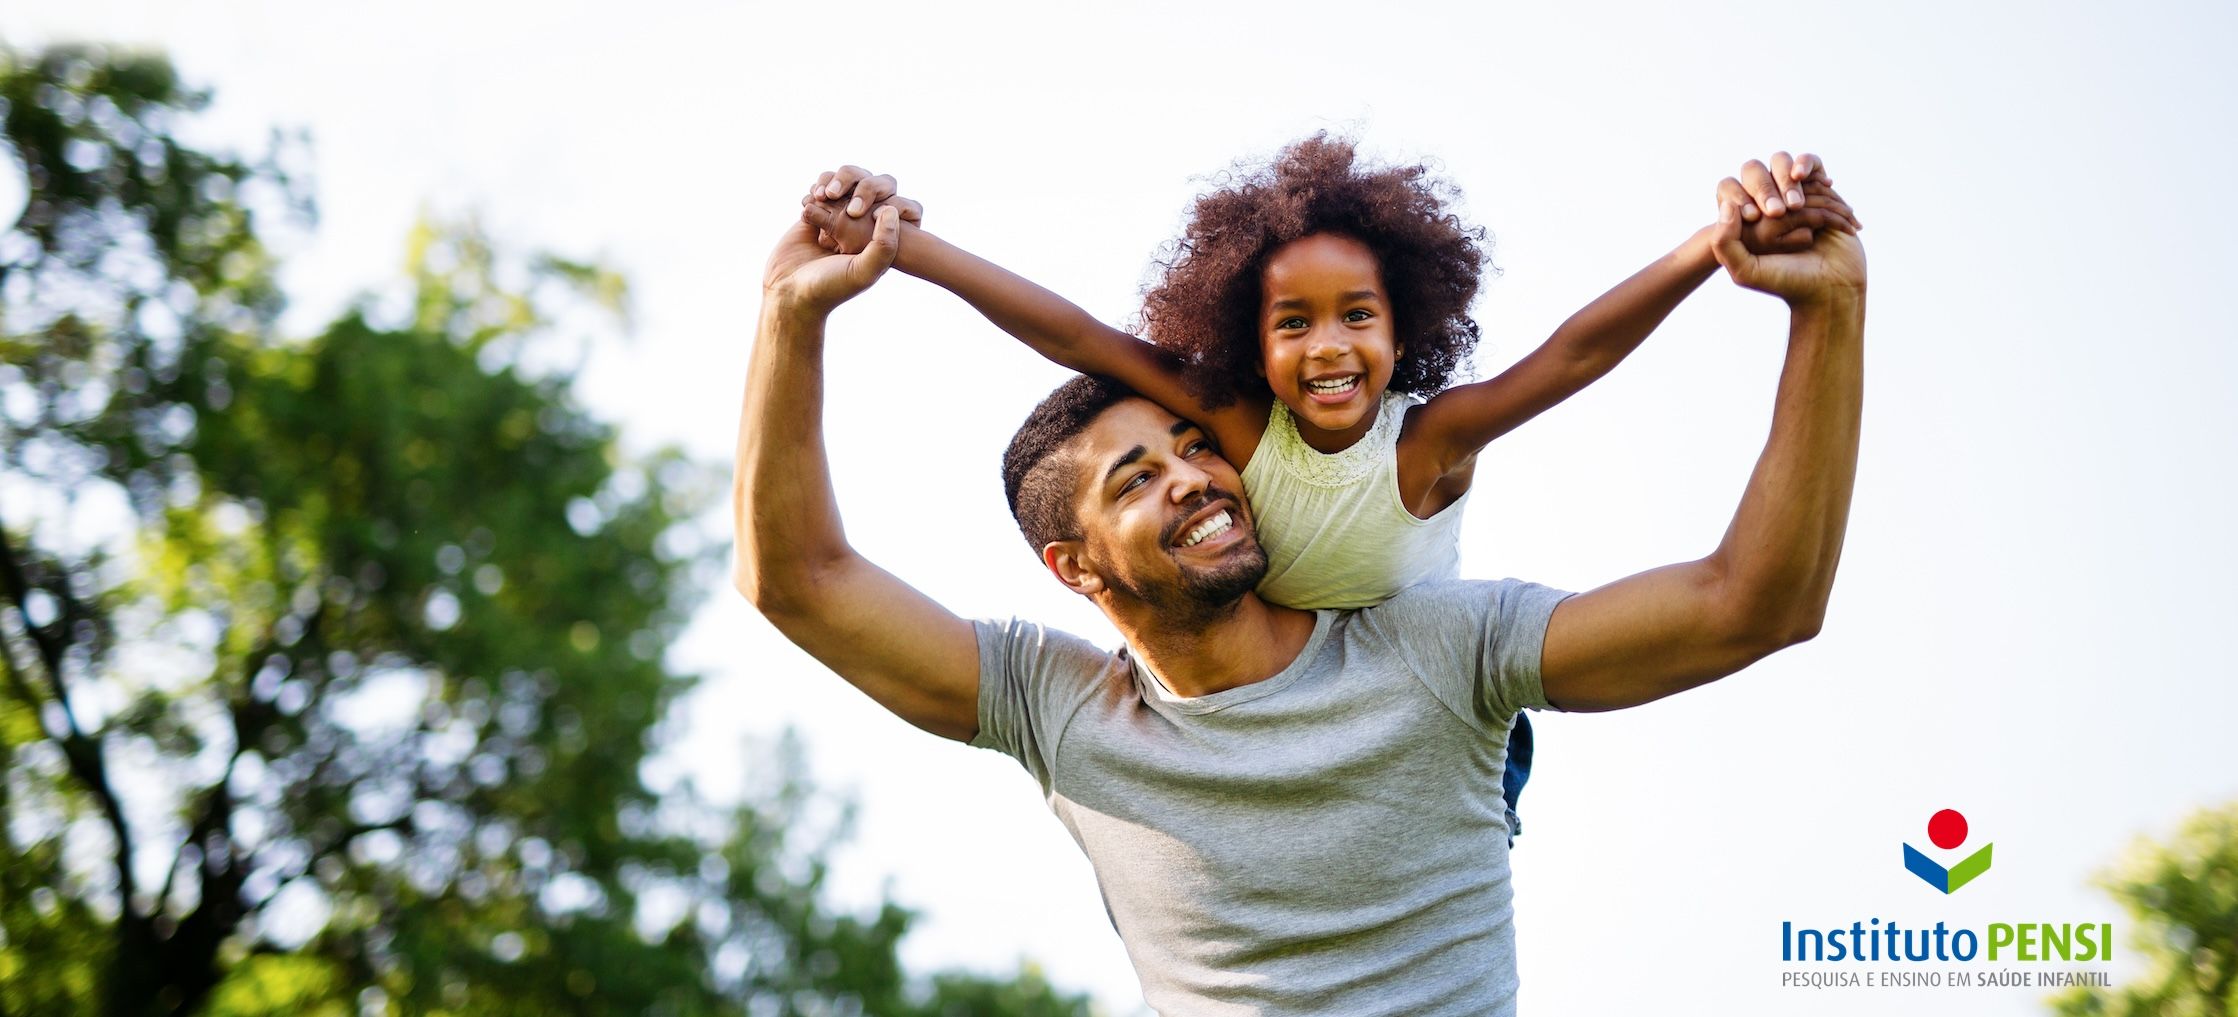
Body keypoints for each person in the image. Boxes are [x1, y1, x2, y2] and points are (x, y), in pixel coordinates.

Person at [735, 158, 1865, 1014]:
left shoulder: (1439, 649)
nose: (1197, 477)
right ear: (1072, 568)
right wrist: (793, 313)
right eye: (1139, 477)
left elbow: (1751, 603)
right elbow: (800, 579)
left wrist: (1826, 313)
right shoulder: (1061, 710)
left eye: (1193, 447)